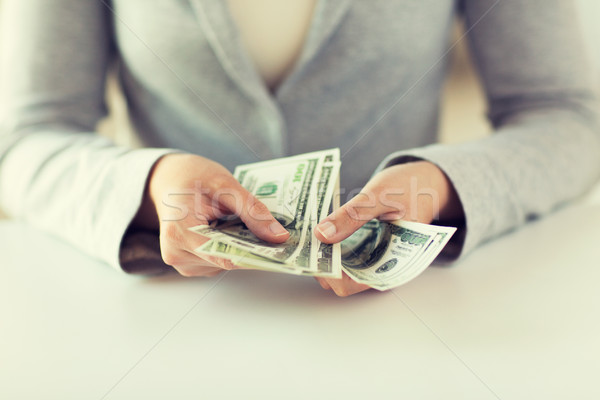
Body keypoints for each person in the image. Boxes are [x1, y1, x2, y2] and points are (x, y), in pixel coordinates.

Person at [1, 0, 599, 297]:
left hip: (408, 323)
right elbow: (26, 137)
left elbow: (569, 117)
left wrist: (440, 186)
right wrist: (147, 187)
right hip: (166, 317)